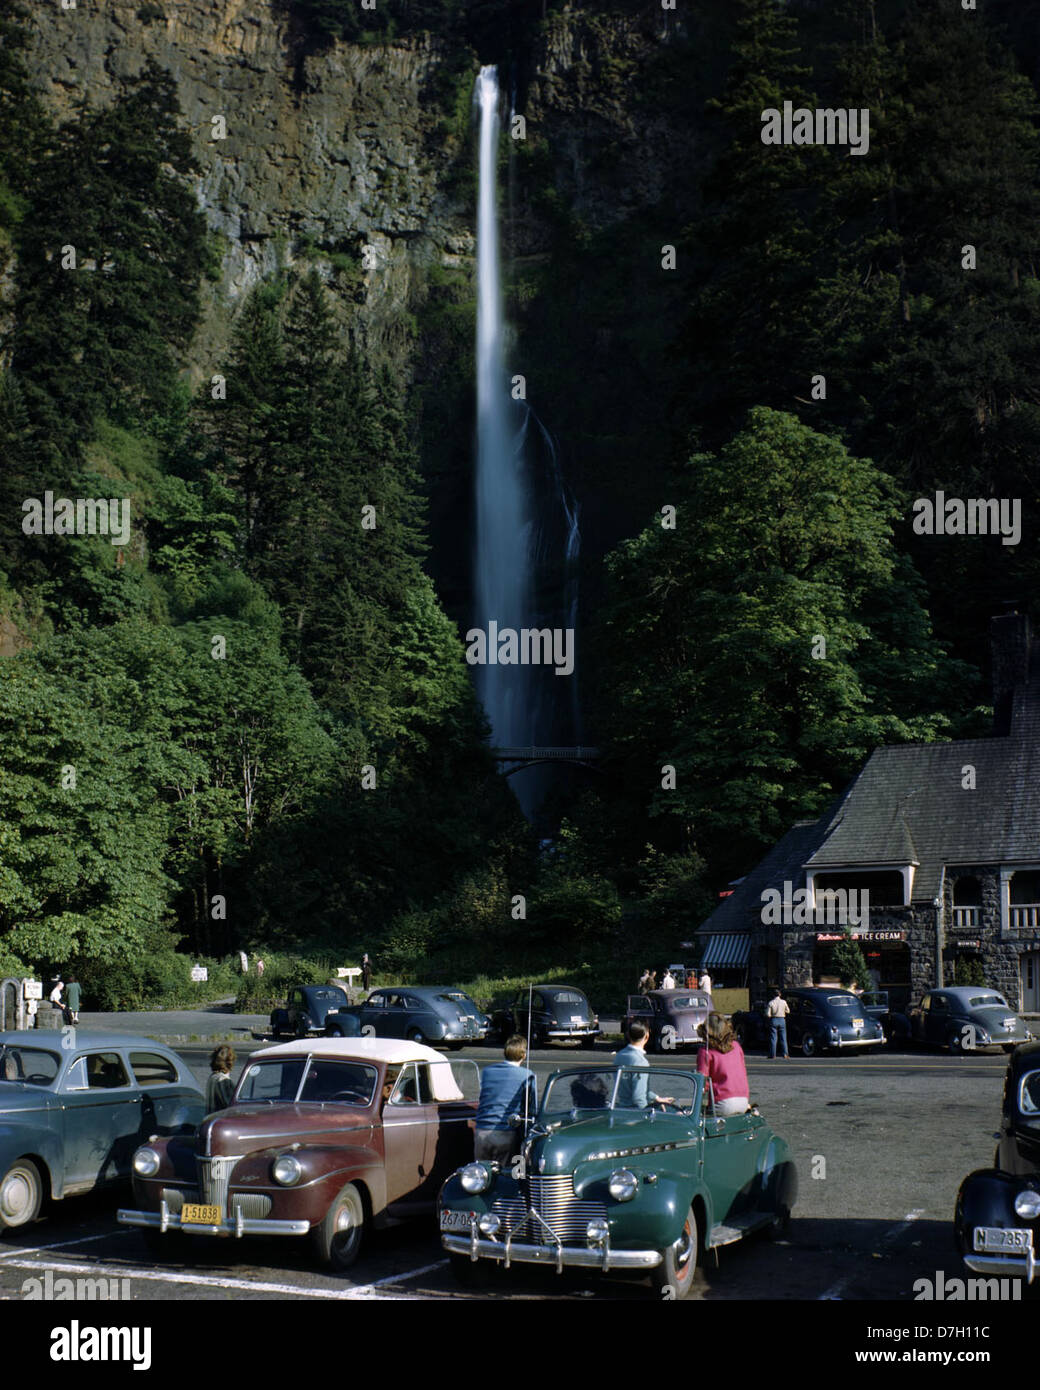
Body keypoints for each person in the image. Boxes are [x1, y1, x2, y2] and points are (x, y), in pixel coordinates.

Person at [474, 1035, 537, 1164]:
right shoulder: (527, 1075)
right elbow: (532, 1107)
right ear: (523, 1055)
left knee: (481, 1176)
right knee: (506, 1178)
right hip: (506, 1133)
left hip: (482, 1131)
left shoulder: (487, 1071)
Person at [696, 1013, 749, 1116]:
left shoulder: (705, 1051)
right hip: (743, 1100)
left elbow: (702, 1083)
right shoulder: (736, 1046)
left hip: (722, 1102)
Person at [614, 1021, 672, 1108]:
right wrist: (646, 1113)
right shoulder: (641, 1062)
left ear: (628, 1035)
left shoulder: (619, 1056)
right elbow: (638, 1097)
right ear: (647, 1036)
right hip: (635, 1113)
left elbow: (632, 1086)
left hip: (621, 1108)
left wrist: (656, 1098)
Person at [206, 1045, 237, 1111]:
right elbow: (231, 1105)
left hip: (210, 1118)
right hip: (221, 1119)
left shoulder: (213, 1077)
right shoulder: (223, 1080)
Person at [767, 988, 790, 1058]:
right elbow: (788, 1011)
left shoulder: (771, 1003)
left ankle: (773, 1054)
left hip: (774, 1019)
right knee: (783, 1038)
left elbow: (768, 1014)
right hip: (782, 1019)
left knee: (773, 1038)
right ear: (780, 994)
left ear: (773, 995)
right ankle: (785, 1054)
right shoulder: (784, 1002)